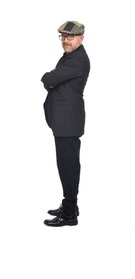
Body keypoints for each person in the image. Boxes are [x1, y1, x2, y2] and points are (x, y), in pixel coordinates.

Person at [41, 21, 90, 227]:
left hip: (68, 123)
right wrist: (51, 79)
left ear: (81, 38)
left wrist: (48, 76)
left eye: (70, 37)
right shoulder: (70, 58)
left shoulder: (77, 61)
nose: (66, 41)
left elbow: (49, 78)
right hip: (64, 122)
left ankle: (70, 213)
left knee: (68, 166)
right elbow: (53, 80)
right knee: (65, 165)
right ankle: (70, 205)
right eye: (63, 37)